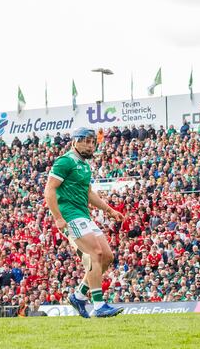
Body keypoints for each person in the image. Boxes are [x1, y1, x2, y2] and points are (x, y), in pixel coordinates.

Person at [44, 127, 126, 318]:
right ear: (75, 141)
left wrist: (109, 210)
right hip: (70, 215)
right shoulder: (65, 161)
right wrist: (58, 217)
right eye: (86, 142)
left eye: (92, 143)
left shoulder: (85, 166)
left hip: (83, 215)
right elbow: (49, 190)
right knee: (94, 254)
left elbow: (89, 194)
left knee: (107, 256)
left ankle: (79, 296)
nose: (90, 146)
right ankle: (98, 305)